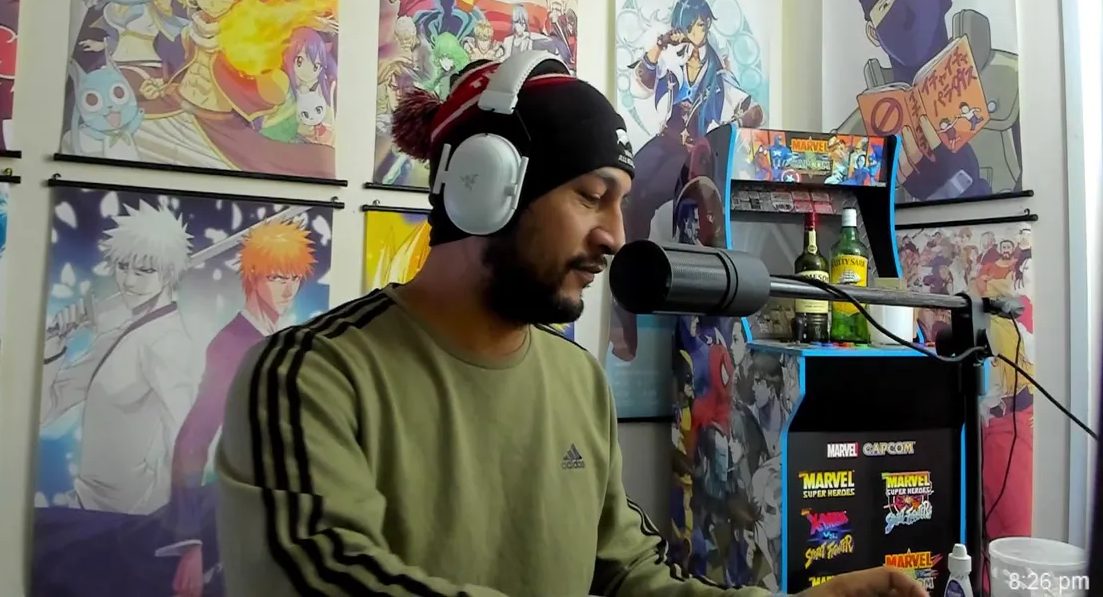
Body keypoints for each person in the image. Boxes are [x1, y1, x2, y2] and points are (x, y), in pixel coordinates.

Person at [214, 51, 928, 597]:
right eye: (592, 196)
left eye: (620, 203)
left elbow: (633, 577)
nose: (615, 235)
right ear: (485, 189)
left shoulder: (578, 381)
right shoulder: (307, 377)